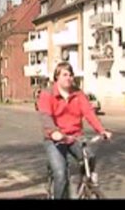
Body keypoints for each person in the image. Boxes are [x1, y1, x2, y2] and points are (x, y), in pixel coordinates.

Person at [36, 62, 112, 199]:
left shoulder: (78, 94)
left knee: (90, 156)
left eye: (71, 75)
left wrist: (102, 130)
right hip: (55, 139)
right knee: (60, 174)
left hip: (75, 137)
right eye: (65, 74)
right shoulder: (47, 94)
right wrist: (53, 132)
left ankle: (83, 185)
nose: (69, 78)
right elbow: (45, 116)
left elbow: (89, 113)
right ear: (57, 77)